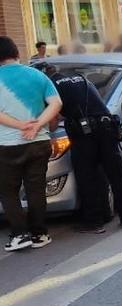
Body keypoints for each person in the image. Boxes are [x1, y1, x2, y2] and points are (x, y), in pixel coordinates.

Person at [37, 63, 122, 232]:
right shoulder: (81, 79)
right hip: (107, 128)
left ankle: (94, 222)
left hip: (84, 135)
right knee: (115, 174)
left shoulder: (51, 86)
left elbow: (52, 124)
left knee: (87, 177)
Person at [0, 37, 62, 252]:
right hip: (40, 142)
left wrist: (20, 125)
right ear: (16, 52)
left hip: (7, 145)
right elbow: (56, 103)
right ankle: (40, 234)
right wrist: (37, 125)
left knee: (8, 191)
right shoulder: (38, 75)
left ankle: (20, 235)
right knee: (35, 189)